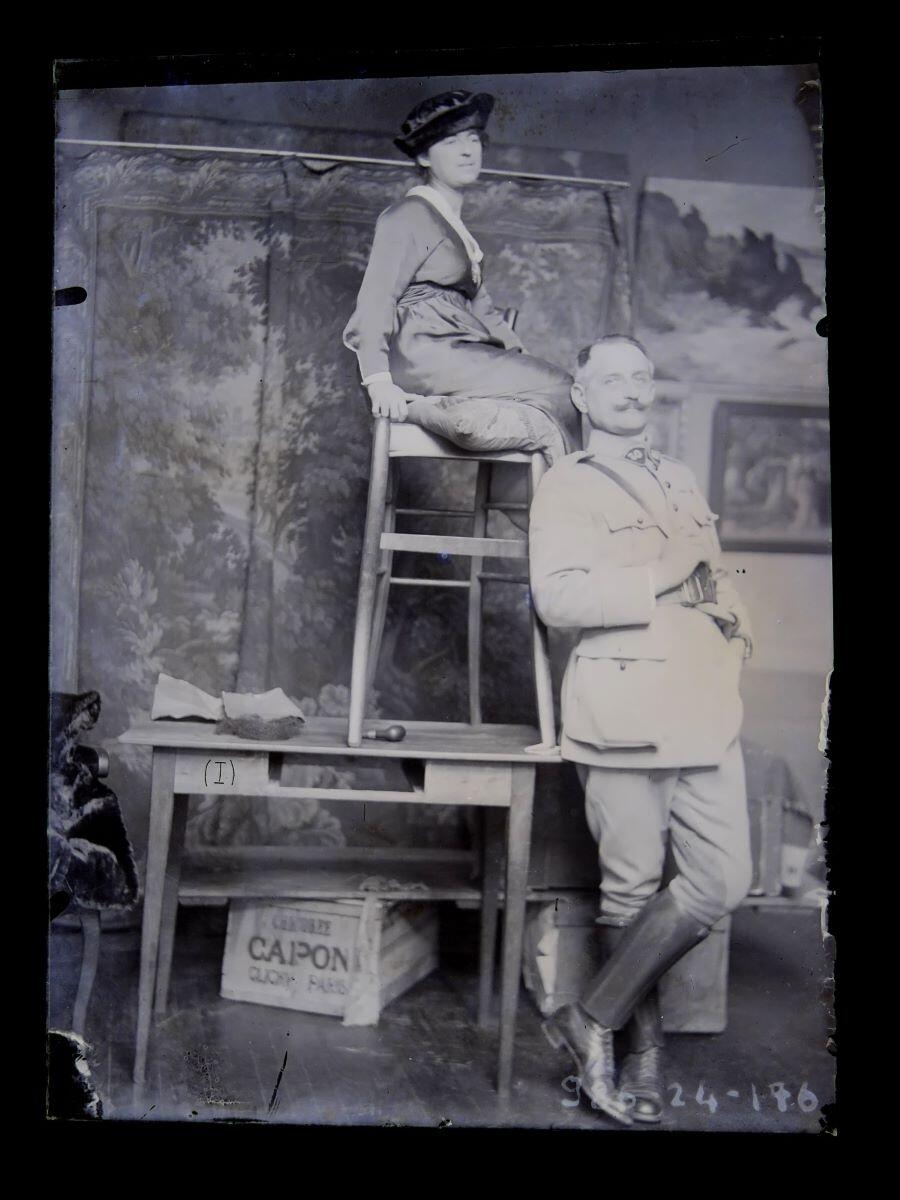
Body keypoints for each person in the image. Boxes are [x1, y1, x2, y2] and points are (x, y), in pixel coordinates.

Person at [528, 335, 754, 1126]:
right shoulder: (567, 484)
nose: (630, 389)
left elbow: (714, 570)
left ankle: (592, 1014)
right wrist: (663, 573)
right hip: (624, 707)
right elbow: (556, 599)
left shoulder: (679, 477)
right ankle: (641, 1059)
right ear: (582, 397)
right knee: (628, 887)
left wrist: (734, 627)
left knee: (724, 879)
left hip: (701, 703)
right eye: (611, 378)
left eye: (641, 376)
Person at [342, 90, 580, 456]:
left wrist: (520, 357)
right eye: (451, 142)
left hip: (451, 351)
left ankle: (466, 427)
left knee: (548, 388)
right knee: (565, 389)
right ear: (423, 155)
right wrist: (377, 381)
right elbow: (377, 298)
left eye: (473, 140)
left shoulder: (454, 227)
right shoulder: (409, 215)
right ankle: (430, 411)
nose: (468, 151)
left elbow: (482, 309)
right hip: (422, 355)